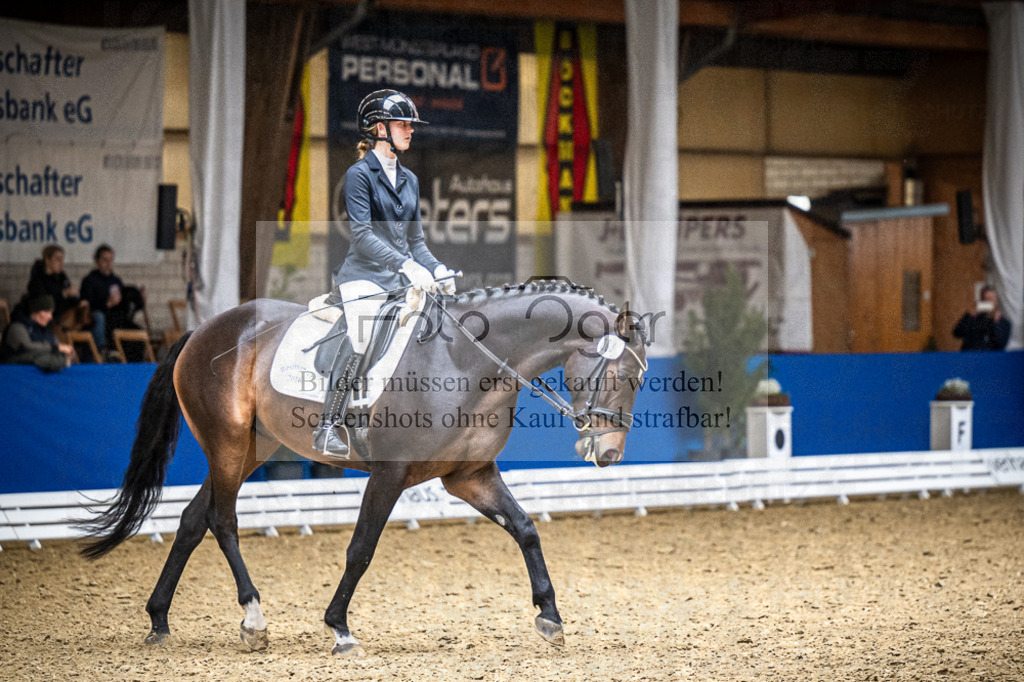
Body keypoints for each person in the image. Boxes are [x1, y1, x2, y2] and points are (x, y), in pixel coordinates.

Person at [313, 89, 457, 457]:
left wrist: (435, 268)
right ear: (379, 128)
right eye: (402, 124)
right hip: (363, 276)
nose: (410, 131)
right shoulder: (359, 175)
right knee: (362, 335)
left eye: (411, 125)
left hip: (398, 279)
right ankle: (328, 424)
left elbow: (416, 241)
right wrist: (407, 265)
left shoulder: (409, 179)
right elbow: (361, 236)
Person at [80, 244, 146, 353]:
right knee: (99, 317)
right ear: (97, 261)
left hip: (116, 319)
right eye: (104, 260)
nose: (108, 263)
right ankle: (102, 351)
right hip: (98, 320)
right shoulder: (89, 281)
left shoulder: (116, 281)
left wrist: (139, 299)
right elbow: (87, 307)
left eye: (110, 259)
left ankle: (135, 364)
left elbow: (126, 305)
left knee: (137, 331)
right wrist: (107, 304)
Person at [0, 294, 74, 372]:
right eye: (46, 312)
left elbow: (56, 346)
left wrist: (64, 354)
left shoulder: (45, 330)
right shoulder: (17, 327)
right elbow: (27, 350)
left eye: (51, 312)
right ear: (34, 311)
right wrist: (55, 348)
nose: (50, 317)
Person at [27, 244, 89, 331]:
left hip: (65, 313)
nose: (61, 262)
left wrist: (79, 302)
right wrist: (63, 293)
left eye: (62, 259)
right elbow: (43, 301)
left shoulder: (61, 276)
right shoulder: (37, 279)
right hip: (50, 316)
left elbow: (70, 294)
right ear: (47, 260)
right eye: (57, 259)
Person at [953, 284, 1011, 351]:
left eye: (990, 299)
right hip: (970, 358)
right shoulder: (973, 318)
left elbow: (1001, 344)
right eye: (984, 299)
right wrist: (969, 317)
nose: (987, 302)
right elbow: (957, 333)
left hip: (990, 359)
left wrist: (996, 323)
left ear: (996, 301)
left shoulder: (1004, 322)